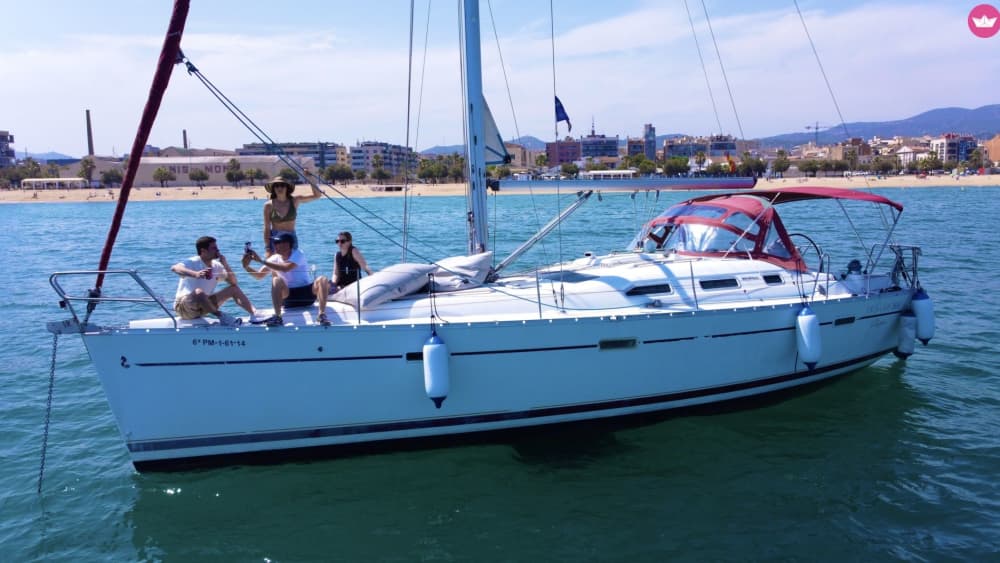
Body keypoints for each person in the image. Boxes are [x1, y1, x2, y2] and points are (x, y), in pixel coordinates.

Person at [242, 232, 331, 326]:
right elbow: (259, 275)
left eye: (277, 243)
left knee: (322, 279)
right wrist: (246, 267)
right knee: (276, 280)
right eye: (274, 243)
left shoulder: (298, 254)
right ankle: (278, 317)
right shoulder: (274, 258)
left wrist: (261, 260)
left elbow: (286, 268)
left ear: (287, 245)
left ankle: (321, 315)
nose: (274, 245)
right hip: (288, 296)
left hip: (307, 294)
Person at [171, 236, 256, 326]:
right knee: (198, 292)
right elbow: (175, 268)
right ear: (203, 251)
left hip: (203, 306)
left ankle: (254, 314)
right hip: (184, 307)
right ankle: (222, 317)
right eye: (214, 248)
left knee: (234, 289)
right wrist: (196, 274)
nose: (218, 250)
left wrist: (225, 264)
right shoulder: (193, 261)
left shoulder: (217, 266)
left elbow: (234, 282)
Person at [262, 172, 323, 256]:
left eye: (282, 185)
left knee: (292, 262)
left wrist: (309, 178)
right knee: (275, 263)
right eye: (276, 186)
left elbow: (317, 195)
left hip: (291, 238)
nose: (279, 188)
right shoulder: (268, 205)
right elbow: (267, 228)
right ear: (273, 188)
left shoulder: (295, 200)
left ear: (287, 187)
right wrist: (268, 248)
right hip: (275, 239)